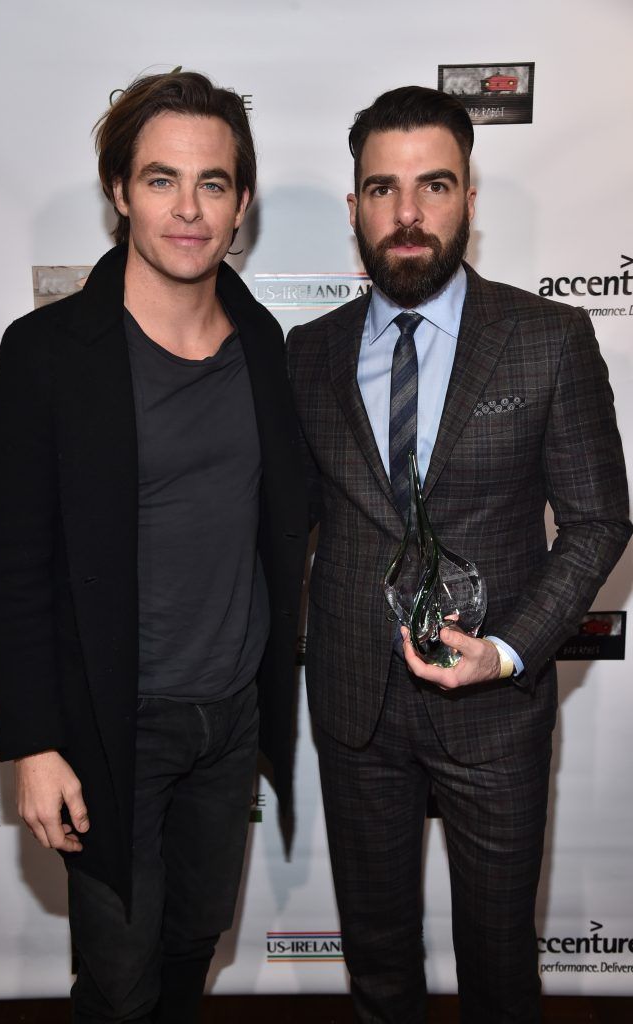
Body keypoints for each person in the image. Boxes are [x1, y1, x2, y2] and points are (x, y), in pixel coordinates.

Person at [287, 85, 631, 1024]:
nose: (408, 214)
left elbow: (601, 520)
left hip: (497, 713)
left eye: (433, 186)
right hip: (355, 705)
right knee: (379, 962)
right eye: (382, 188)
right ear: (354, 205)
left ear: (470, 200)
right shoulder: (305, 354)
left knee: (499, 966)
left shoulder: (547, 338)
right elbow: (281, 521)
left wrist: (510, 648)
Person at [0, 70, 307, 1024]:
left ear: (241, 203)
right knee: (117, 979)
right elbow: (8, 564)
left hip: (230, 716)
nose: (188, 210)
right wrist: (34, 742)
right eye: (162, 180)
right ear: (120, 192)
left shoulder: (263, 343)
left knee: (192, 944)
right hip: (112, 725)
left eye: (213, 183)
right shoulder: (46, 353)